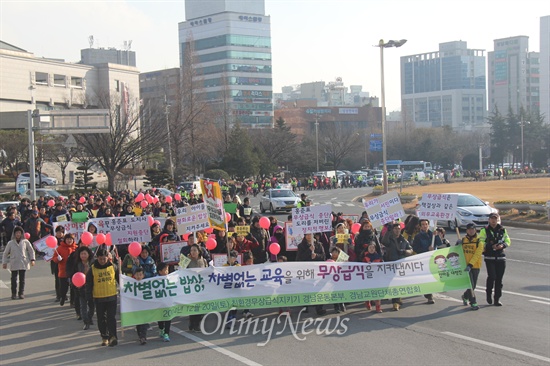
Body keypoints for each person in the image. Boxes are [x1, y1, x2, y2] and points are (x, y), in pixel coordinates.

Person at [86, 248, 119, 347]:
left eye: (104, 259)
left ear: (107, 258)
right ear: (97, 258)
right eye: (100, 259)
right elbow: (88, 285)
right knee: (101, 319)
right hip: (99, 297)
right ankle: (104, 337)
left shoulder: (114, 267)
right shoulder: (92, 269)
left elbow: (119, 279)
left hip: (112, 296)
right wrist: (89, 298)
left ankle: (113, 337)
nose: (102, 261)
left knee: (111, 318)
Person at [479, 213, 511, 306]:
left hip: (501, 257)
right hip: (490, 257)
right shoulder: (484, 230)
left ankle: (497, 299)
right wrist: (490, 246)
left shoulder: (502, 230)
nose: (494, 221)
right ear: (489, 220)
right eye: (492, 219)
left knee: (499, 279)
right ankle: (488, 294)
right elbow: (481, 242)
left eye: (495, 219)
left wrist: (503, 245)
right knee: (492, 277)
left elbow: (508, 240)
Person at [381, 223, 413, 310]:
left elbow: (411, 250)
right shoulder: (389, 239)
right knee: (391, 283)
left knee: (398, 283)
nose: (397, 230)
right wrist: (388, 231)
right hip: (391, 263)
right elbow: (384, 241)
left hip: (401, 265)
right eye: (395, 229)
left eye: (398, 229)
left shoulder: (403, 240)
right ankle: (395, 299)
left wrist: (405, 252)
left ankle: (396, 301)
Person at [412, 219, 441, 304]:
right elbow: (415, 248)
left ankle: (429, 293)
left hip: (432, 259)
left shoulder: (432, 234)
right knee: (426, 278)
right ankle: (429, 296)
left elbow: (439, 243)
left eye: (426, 224)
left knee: (431, 277)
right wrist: (426, 249)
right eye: (423, 224)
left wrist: (437, 236)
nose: (425, 226)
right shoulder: (418, 237)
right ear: (420, 226)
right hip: (423, 260)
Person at [297, 233, 327, 315]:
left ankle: (319, 307)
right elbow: (300, 258)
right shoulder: (301, 246)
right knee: (306, 288)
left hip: (317, 270)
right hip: (306, 270)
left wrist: (316, 255)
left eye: (310, 234)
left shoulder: (319, 244)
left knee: (318, 288)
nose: (309, 236)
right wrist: (309, 250)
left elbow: (323, 257)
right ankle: (305, 306)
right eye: (307, 235)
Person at [2, 226, 35, 299]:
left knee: (22, 279)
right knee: (13, 279)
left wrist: (32, 259)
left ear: (21, 233)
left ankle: (21, 293)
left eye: (19, 233)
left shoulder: (25, 241)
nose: (18, 234)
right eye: (16, 233)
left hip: (23, 261)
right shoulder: (10, 243)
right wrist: (4, 262)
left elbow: (31, 250)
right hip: (14, 262)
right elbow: (5, 253)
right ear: (14, 234)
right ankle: (13, 293)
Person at [459, 223, 483, 311]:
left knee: (474, 286)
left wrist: (470, 264)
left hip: (475, 266)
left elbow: (477, 254)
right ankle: (473, 302)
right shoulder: (463, 240)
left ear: (475, 230)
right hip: (465, 267)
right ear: (466, 231)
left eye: (472, 229)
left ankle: (465, 296)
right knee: (470, 284)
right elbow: (458, 252)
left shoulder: (479, 241)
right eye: (469, 229)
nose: (471, 231)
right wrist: (458, 244)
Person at [187, 244, 208, 332]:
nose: (193, 252)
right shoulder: (187, 260)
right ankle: (192, 324)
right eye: (191, 250)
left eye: (195, 250)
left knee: (201, 307)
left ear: (199, 251)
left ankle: (197, 324)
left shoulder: (203, 260)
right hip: (191, 287)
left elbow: (207, 271)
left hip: (201, 287)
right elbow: (180, 270)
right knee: (193, 306)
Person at [73, 246, 95, 329]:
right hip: (81, 287)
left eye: (85, 253)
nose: (83, 255)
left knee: (92, 306)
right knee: (83, 306)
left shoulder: (93, 263)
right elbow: (74, 274)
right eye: (81, 254)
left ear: (89, 254)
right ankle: (86, 322)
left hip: (91, 287)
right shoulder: (77, 264)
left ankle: (89, 317)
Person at [53, 233, 77, 306]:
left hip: (73, 271)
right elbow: (54, 258)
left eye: (71, 239)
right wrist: (57, 259)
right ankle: (62, 297)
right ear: (65, 240)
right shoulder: (60, 248)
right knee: (63, 287)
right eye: (67, 239)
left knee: (73, 288)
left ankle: (72, 302)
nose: (69, 241)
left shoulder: (76, 248)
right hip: (63, 271)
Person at [362, 242, 383, 313]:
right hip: (367, 277)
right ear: (367, 249)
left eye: (373, 247)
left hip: (377, 277)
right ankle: (367, 302)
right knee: (368, 291)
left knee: (377, 292)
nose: (371, 249)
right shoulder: (363, 257)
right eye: (370, 247)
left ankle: (378, 307)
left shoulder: (379, 256)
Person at [132, 267, 149, 345]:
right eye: (137, 274)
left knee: (144, 322)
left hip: (145, 306)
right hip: (136, 307)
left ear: (143, 275)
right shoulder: (131, 284)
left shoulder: (146, 283)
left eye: (140, 274)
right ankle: (140, 334)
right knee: (139, 322)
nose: (139, 276)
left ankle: (143, 336)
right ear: (134, 275)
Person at [156, 262, 172, 341]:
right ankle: (161, 329)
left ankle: (166, 333)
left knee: (168, 318)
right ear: (160, 271)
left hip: (168, 303)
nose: (167, 271)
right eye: (165, 270)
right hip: (160, 304)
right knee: (160, 318)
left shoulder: (170, 278)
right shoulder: (155, 280)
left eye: (167, 269)